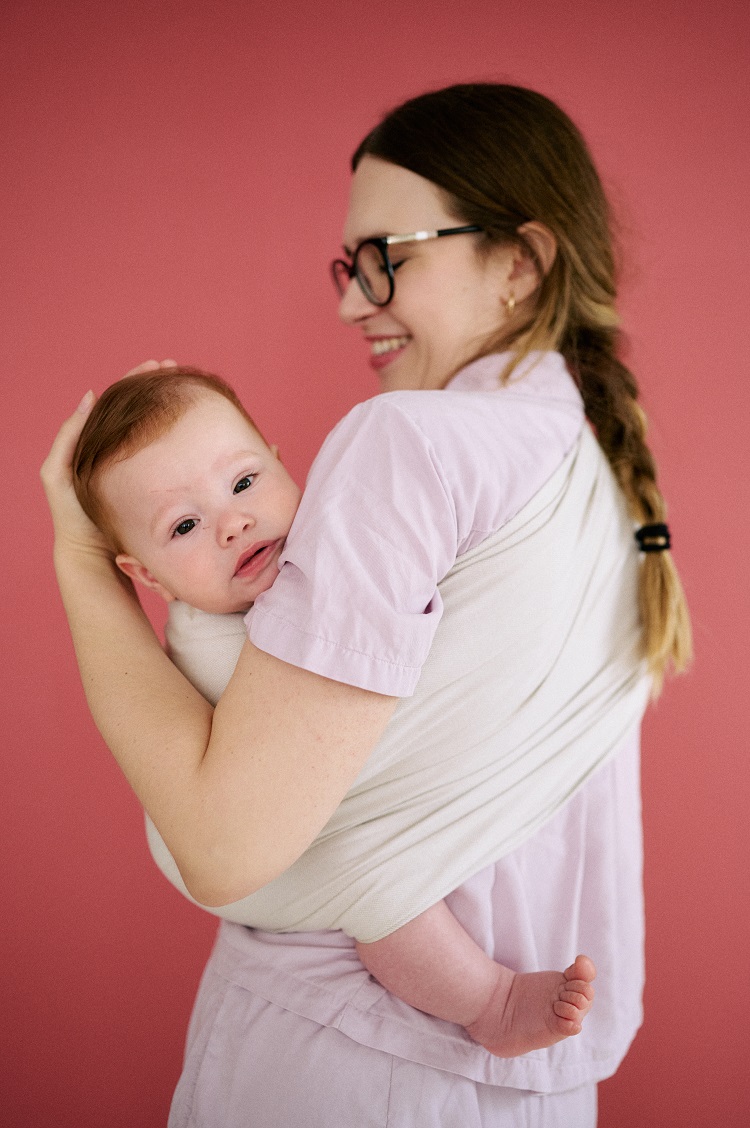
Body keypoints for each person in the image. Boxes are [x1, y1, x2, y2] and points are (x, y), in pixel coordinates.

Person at [42, 83, 691, 1127]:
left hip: (344, 1067)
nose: (351, 301)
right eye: (350, 266)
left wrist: (80, 557)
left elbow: (220, 847)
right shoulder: (599, 463)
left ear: (519, 262)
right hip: (533, 1096)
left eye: (389, 256)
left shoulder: (406, 445)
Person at [72, 363, 596, 1057]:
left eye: (245, 481)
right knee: (382, 887)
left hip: (243, 827)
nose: (233, 523)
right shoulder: (209, 643)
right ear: (146, 576)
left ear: (283, 464)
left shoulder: (316, 560)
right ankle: (488, 1003)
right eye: (185, 525)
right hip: (242, 867)